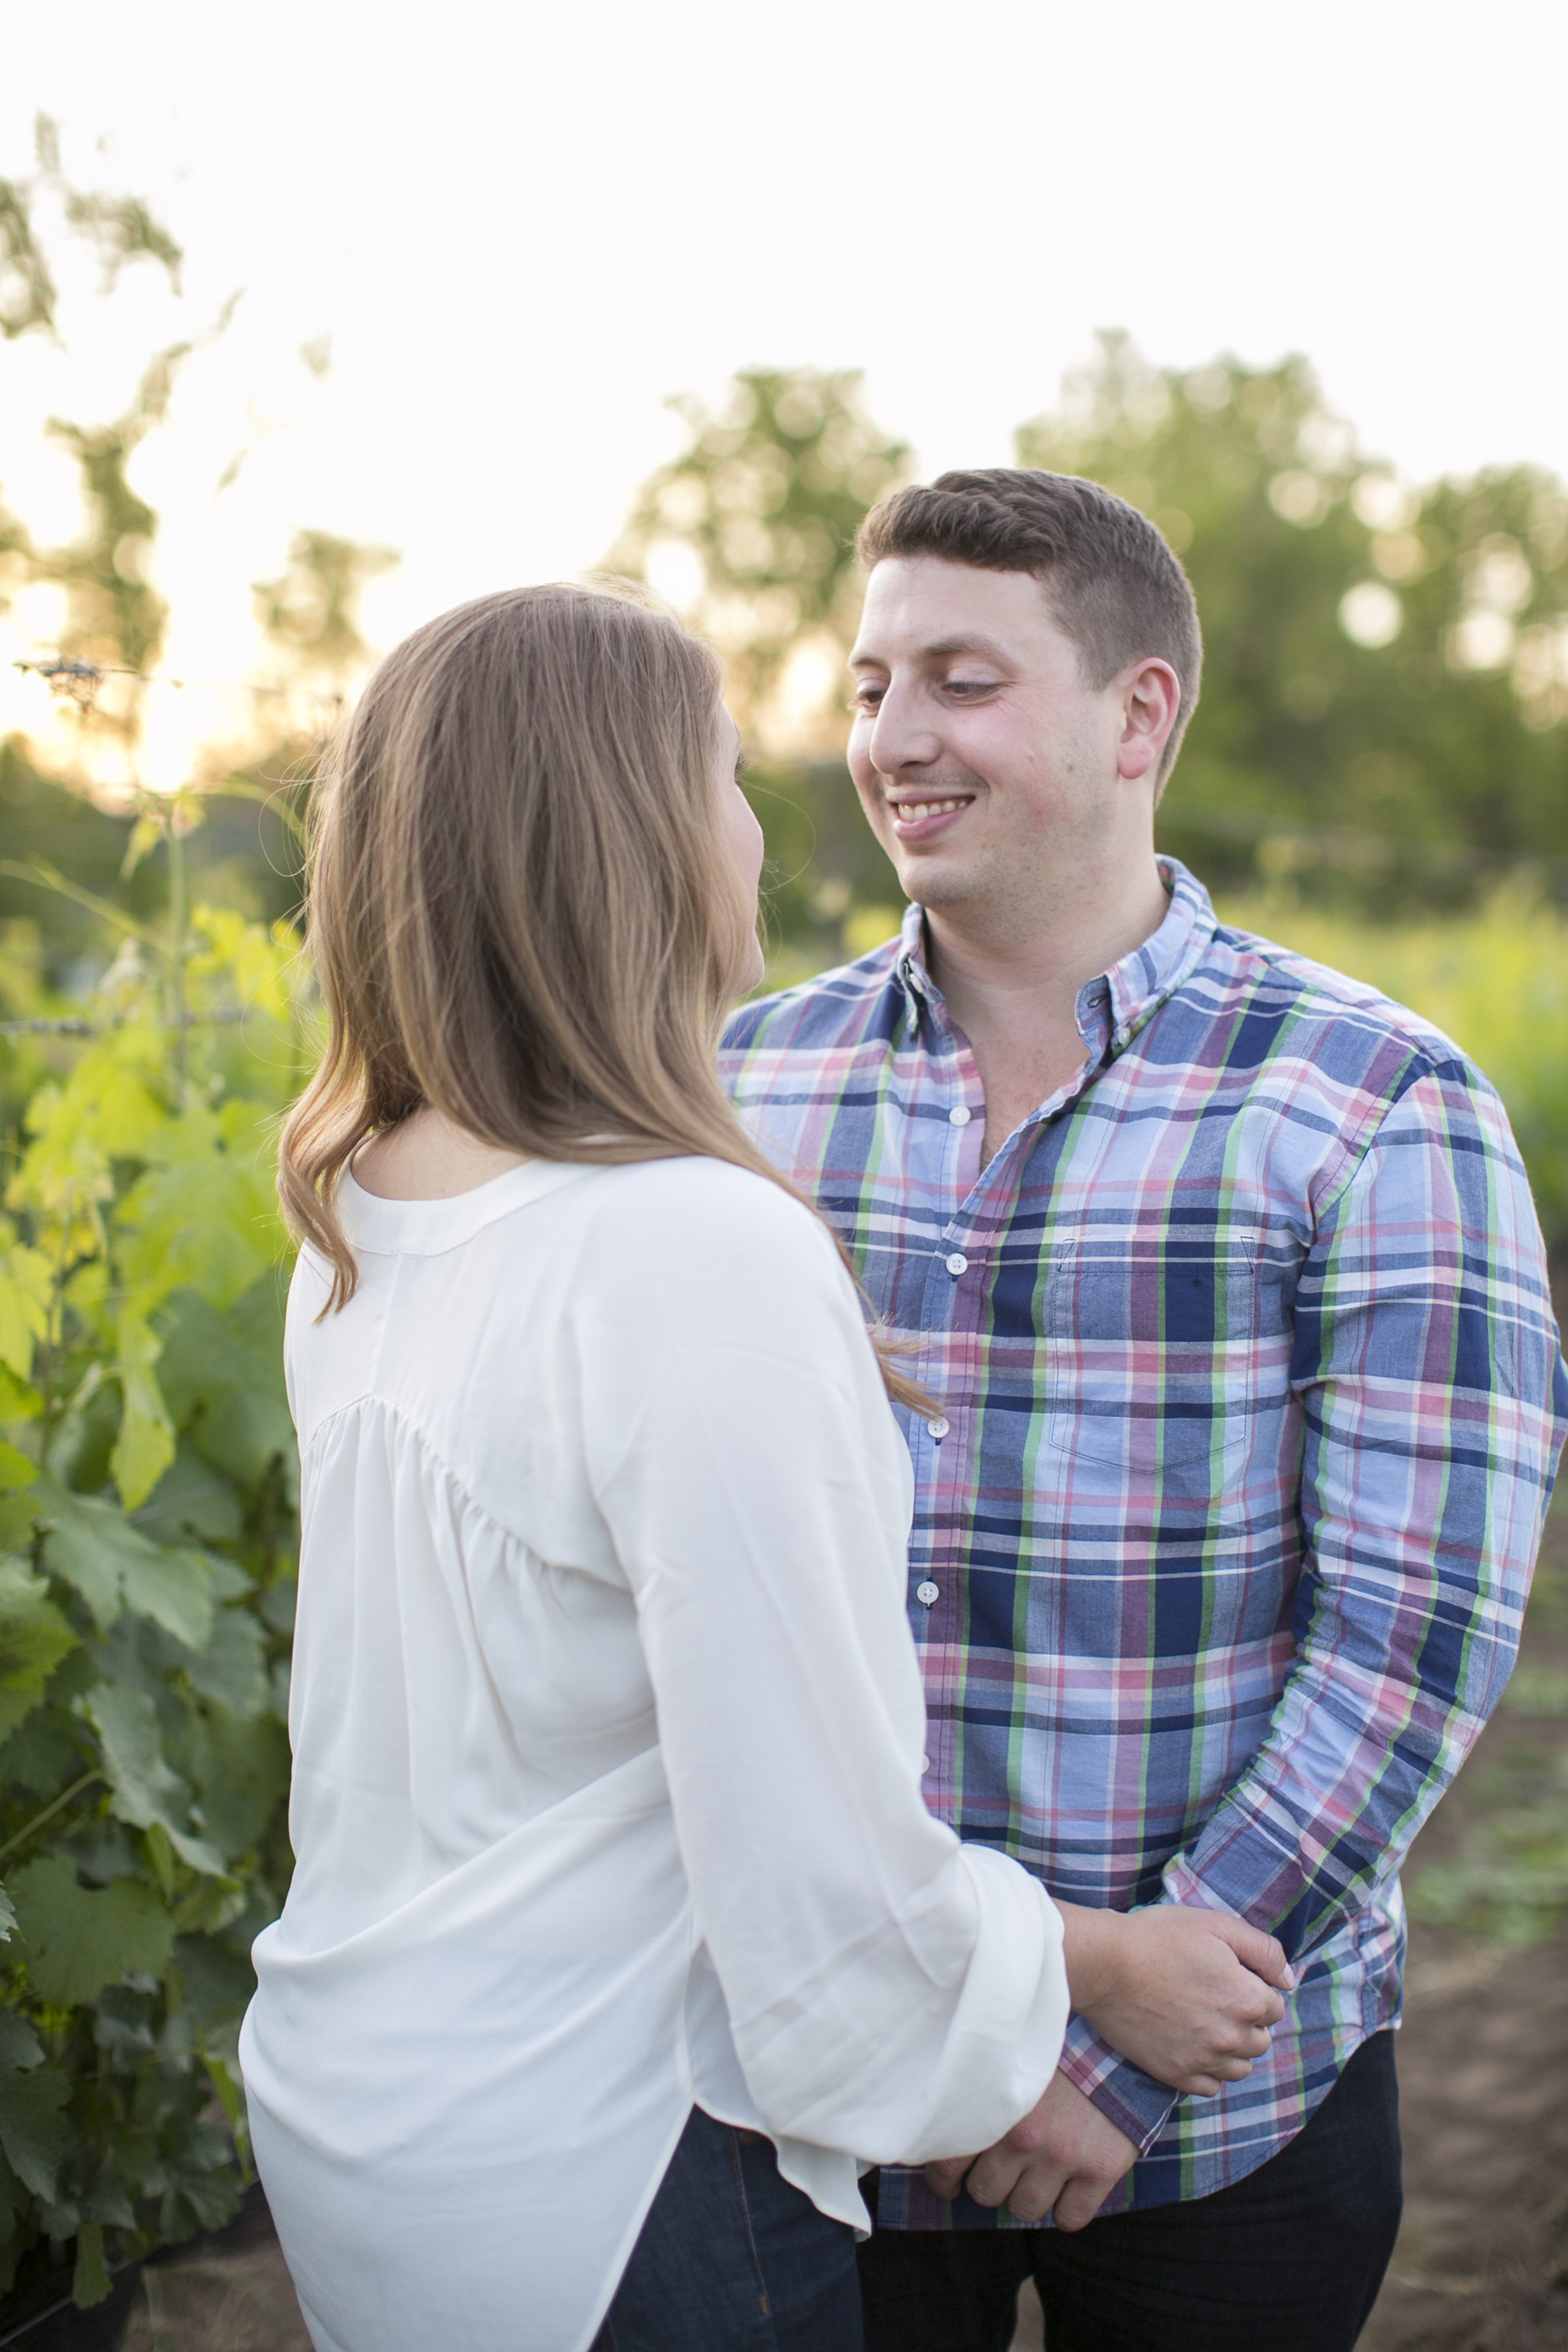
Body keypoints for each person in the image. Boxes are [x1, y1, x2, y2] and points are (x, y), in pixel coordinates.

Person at [238, 582, 1290, 2352]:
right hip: (617, 2174)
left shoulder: (369, 1205)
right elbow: (821, 1917)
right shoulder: (685, 1248)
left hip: (377, 2122)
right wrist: (1095, 1968)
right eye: (721, 774)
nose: (754, 827)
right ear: (629, 840)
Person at [720, 470, 1568, 2352]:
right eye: (867, 686)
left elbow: (1411, 1641)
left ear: (1139, 714)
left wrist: (1117, 2053)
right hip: (834, 2098)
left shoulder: (1371, 1103)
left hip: (1225, 2110)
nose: (892, 740)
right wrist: (945, 2017)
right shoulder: (739, 1092)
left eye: (961, 679)